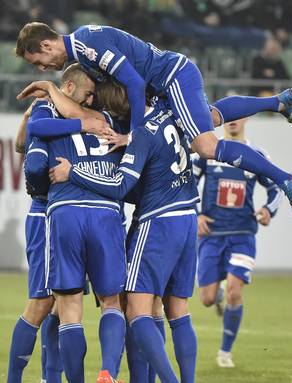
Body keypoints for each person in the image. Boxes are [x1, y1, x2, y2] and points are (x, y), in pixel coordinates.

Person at [14, 22, 292, 217]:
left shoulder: (88, 45)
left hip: (171, 79)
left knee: (206, 145)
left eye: (39, 62)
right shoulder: (84, 44)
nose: (42, 68)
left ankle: (287, 180)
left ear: (47, 46)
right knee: (211, 116)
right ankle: (278, 102)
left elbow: (135, 84)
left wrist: (134, 136)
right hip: (168, 82)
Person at [50, 83, 200, 383]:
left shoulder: (142, 132)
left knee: (136, 310)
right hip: (188, 217)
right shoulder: (170, 112)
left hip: (158, 222)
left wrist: (74, 173)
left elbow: (120, 186)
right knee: (173, 308)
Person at [6, 64, 112, 383]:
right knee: (41, 303)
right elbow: (33, 159)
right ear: (68, 87)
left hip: (66, 214)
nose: (91, 100)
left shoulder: (57, 112)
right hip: (47, 213)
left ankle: (50, 379)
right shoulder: (46, 109)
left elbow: (22, 145)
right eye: (87, 93)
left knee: (59, 303)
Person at [193, 117, 283, 369]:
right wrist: (196, 213)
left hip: (243, 234)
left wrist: (268, 210)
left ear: (245, 119)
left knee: (235, 290)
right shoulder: (208, 150)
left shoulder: (256, 154)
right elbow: (187, 181)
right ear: (222, 122)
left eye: (237, 117)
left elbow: (276, 186)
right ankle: (217, 290)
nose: (233, 122)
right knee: (207, 299)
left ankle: (225, 352)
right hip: (211, 234)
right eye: (228, 118)